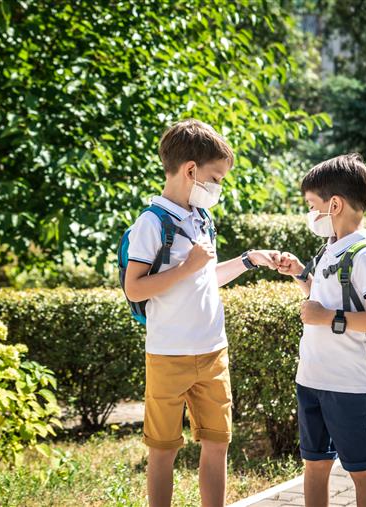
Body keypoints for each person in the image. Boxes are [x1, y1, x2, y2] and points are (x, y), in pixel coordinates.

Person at [124, 119, 280, 507]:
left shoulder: (201, 218)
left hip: (213, 353)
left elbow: (206, 276)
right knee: (163, 449)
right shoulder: (152, 223)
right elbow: (134, 287)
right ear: (191, 170)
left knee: (218, 442)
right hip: (167, 356)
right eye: (217, 178)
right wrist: (186, 268)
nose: (219, 188)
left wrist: (247, 260)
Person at [277, 153, 366, 507]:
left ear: (335, 204)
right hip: (311, 379)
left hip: (348, 387)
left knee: (362, 471)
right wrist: (302, 275)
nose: (310, 214)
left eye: (312, 206)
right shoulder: (331, 248)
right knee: (313, 466)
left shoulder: (365, 255)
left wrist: (328, 317)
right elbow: (324, 299)